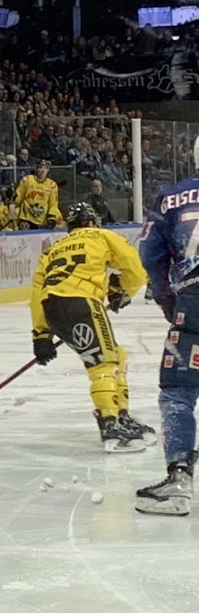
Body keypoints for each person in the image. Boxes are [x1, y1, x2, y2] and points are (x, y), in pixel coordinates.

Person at [29, 201, 154, 453]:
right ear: (91, 222)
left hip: (52, 308)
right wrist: (123, 291)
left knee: (116, 355)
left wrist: (41, 334)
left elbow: (37, 292)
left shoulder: (52, 250)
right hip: (83, 303)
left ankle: (120, 415)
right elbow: (136, 267)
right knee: (103, 363)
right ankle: (110, 422)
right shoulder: (101, 235)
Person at [136, 138, 199, 514]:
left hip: (195, 301)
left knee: (178, 390)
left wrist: (167, 300)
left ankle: (179, 481)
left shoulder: (172, 198)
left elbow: (150, 253)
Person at [15, 159, 62, 230]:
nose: (43, 170)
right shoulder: (27, 180)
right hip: (26, 219)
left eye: (45, 168)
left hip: (42, 221)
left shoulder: (52, 185)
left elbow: (53, 203)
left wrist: (52, 216)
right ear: (36, 169)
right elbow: (18, 197)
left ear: (48, 170)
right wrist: (13, 205)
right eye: (40, 167)